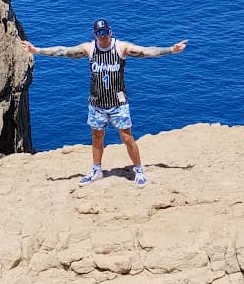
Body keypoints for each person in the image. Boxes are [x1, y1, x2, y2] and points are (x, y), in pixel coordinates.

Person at [24, 19, 189, 186]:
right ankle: (96, 170)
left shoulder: (121, 47)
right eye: (99, 33)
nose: (103, 36)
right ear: (94, 35)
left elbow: (146, 51)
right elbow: (63, 51)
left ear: (111, 31)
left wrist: (171, 50)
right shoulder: (89, 49)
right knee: (97, 137)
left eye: (105, 32)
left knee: (127, 137)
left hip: (118, 103)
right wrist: (36, 50)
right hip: (96, 103)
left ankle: (138, 170)